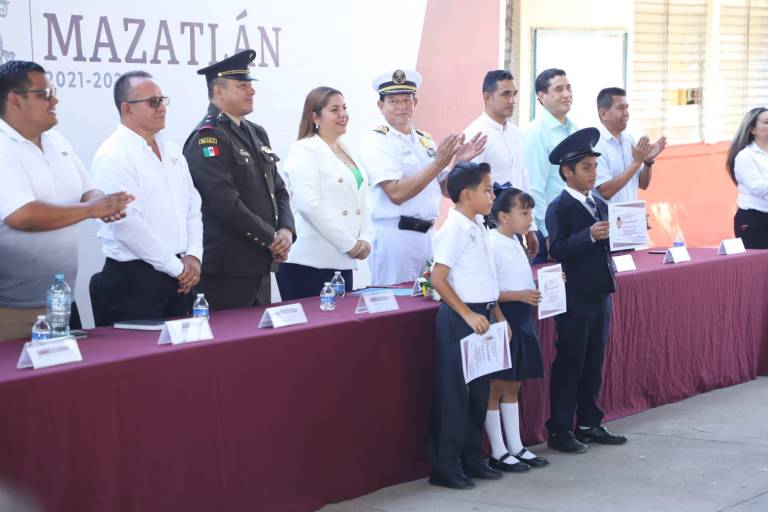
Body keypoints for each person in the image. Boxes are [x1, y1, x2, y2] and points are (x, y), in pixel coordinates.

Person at [0, 60, 131, 341]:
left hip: (62, 303)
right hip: (11, 312)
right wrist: (90, 210)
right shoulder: (3, 146)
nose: (54, 100)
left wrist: (103, 205)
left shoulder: (57, 141)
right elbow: (22, 216)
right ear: (14, 99)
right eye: (44, 94)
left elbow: (88, 190)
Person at [183, 50, 295, 310]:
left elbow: (279, 190)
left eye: (250, 85)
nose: (251, 91)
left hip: (260, 263)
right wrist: (271, 238)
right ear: (218, 92)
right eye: (242, 86)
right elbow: (225, 203)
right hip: (227, 269)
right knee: (226, 347)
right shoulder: (207, 137)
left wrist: (286, 231)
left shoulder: (256, 132)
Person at [91, 71, 203, 325]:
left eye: (163, 100)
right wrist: (177, 268)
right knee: (142, 363)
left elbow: (192, 205)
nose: (162, 108)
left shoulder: (171, 149)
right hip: (135, 280)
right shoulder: (113, 155)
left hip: (180, 276)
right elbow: (127, 225)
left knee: (185, 361)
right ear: (127, 109)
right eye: (153, 102)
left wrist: (194, 255)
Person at [358, 69, 486, 285]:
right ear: (381, 106)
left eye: (407, 100)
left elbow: (445, 189)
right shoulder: (377, 141)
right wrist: (438, 163)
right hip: (396, 236)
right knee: (396, 306)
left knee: (427, 302)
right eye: (393, 101)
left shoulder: (424, 140)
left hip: (428, 234)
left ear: (415, 103)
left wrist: (458, 163)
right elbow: (396, 193)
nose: (401, 107)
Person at [544, 127, 626, 453]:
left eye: (595, 167)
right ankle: (560, 428)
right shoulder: (560, 207)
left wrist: (626, 231)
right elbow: (557, 248)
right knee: (571, 362)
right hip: (575, 296)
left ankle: (589, 421)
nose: (594, 174)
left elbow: (609, 240)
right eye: (587, 168)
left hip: (600, 292)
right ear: (568, 171)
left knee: (594, 360)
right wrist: (590, 235)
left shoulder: (598, 202)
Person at [428, 161, 506, 490]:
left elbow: (487, 275)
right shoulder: (453, 229)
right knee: (454, 395)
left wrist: (496, 315)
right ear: (466, 194)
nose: (492, 195)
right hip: (462, 318)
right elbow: (439, 279)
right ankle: (446, 466)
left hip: (483, 316)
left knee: (479, 393)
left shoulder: (478, 225)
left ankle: (473, 458)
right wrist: (467, 314)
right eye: (487, 189)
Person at [276, 86, 374, 300]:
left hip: (342, 264)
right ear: (315, 117)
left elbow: (363, 203)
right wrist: (349, 244)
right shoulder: (305, 149)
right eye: (334, 109)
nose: (343, 114)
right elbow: (309, 205)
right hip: (309, 265)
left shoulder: (347, 151)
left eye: (345, 108)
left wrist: (366, 239)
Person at [484, 183, 548, 472]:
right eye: (524, 212)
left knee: (515, 383)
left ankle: (516, 445)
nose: (530, 218)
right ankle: (498, 450)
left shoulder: (515, 242)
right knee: (496, 385)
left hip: (522, 317)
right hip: (505, 317)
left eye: (531, 212)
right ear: (505, 217)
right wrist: (505, 314)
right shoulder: (491, 242)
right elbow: (487, 289)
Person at [465, 70, 539, 257]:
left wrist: (531, 226)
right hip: (488, 228)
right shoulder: (476, 134)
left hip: (515, 227)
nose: (512, 100)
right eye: (505, 94)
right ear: (487, 97)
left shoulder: (516, 134)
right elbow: (470, 190)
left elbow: (523, 180)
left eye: (514, 94)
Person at [524, 68, 578, 263]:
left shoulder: (574, 129)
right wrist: (548, 235)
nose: (566, 94)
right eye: (558, 89)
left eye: (569, 88)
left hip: (576, 227)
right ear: (541, 96)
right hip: (552, 232)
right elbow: (534, 188)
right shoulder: (536, 133)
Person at [594, 87, 667, 203]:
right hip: (609, 220)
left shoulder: (629, 139)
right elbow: (605, 192)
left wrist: (647, 162)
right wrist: (637, 162)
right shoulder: (596, 145)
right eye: (620, 108)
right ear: (603, 114)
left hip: (631, 218)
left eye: (627, 108)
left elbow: (642, 184)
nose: (626, 113)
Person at [726, 107, 768, 249]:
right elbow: (758, 188)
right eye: (767, 122)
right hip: (753, 221)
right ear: (752, 129)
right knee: (757, 268)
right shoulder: (746, 156)